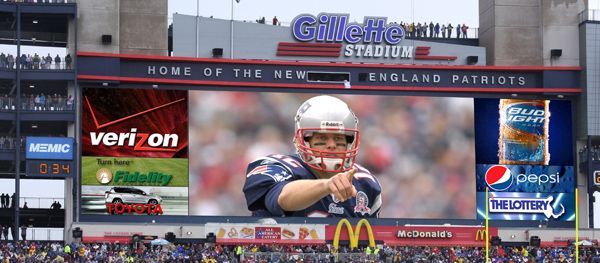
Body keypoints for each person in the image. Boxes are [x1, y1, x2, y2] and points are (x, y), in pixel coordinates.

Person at [243, 95, 382, 217]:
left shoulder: (366, 183)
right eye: (322, 139)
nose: (332, 145)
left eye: (339, 139)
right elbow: (282, 199)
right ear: (303, 140)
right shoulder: (278, 166)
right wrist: (327, 185)